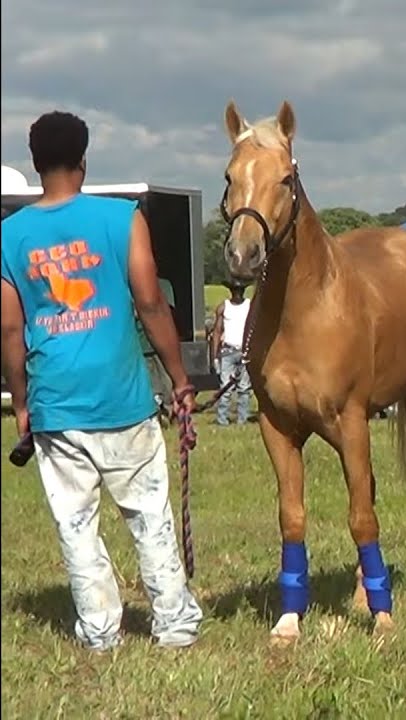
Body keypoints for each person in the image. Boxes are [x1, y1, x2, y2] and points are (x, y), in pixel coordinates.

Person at [0, 110, 203, 651]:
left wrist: (21, 402)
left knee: (76, 525)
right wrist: (178, 377)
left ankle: (99, 630)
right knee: (149, 514)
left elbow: (8, 327)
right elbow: (150, 302)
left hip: (56, 400)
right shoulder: (122, 219)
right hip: (122, 396)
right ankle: (174, 623)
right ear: (84, 162)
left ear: (36, 163)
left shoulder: (9, 236)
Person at [208, 280, 253, 425]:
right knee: (225, 388)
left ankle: (242, 420)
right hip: (228, 351)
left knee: (244, 389)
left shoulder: (250, 307)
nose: (237, 293)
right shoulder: (224, 307)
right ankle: (222, 420)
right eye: (235, 290)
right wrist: (214, 357)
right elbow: (217, 332)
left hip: (244, 351)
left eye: (239, 290)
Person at [137, 277, 177, 419]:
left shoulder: (164, 285)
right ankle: (156, 412)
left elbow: (168, 311)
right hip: (141, 345)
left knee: (167, 382)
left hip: (161, 344)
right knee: (151, 384)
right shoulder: (131, 286)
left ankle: (168, 409)